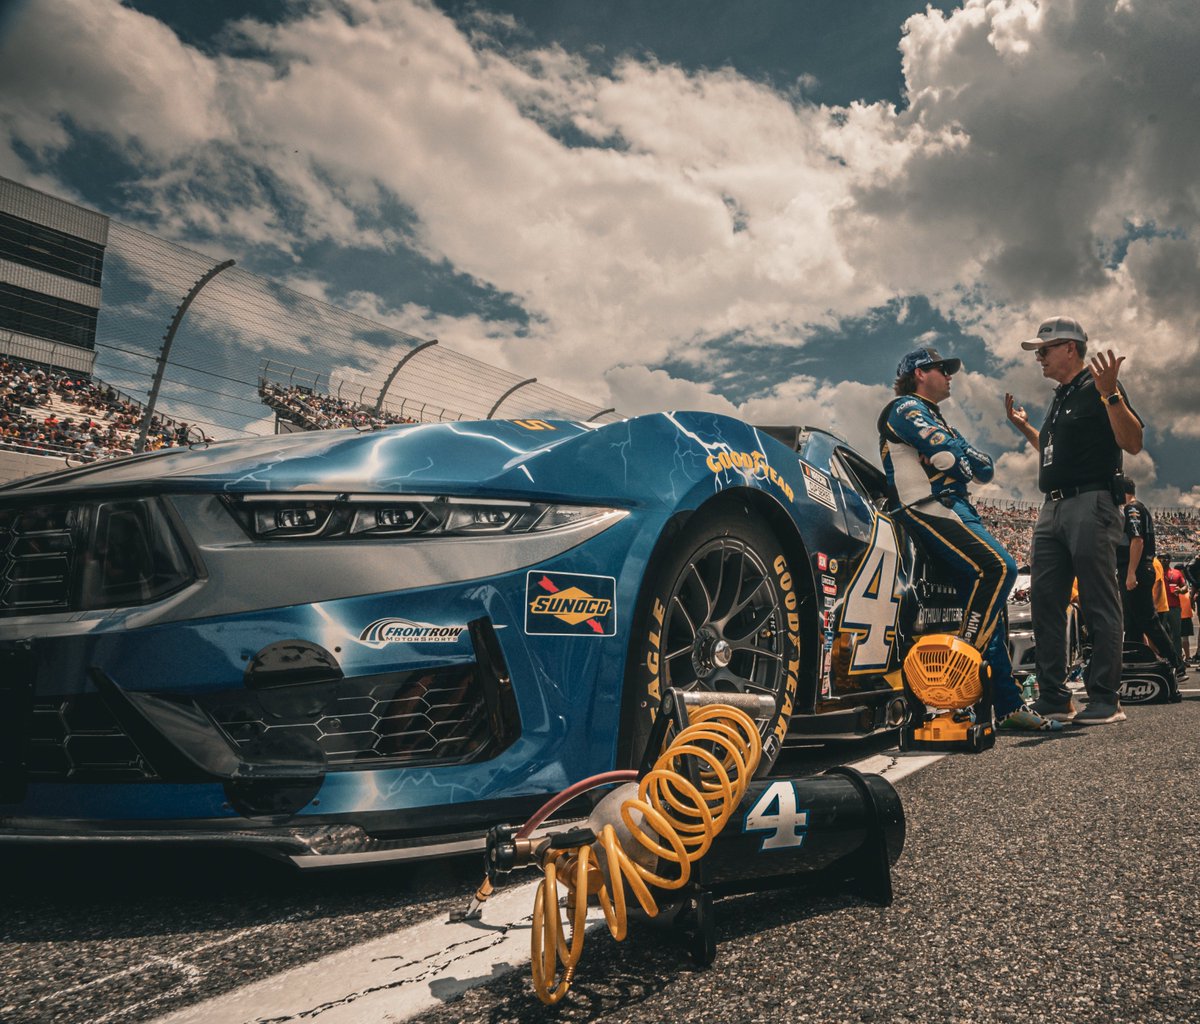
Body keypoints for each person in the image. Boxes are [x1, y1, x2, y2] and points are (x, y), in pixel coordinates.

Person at [881, 346, 1060, 731]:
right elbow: (951, 456)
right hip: (926, 503)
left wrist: (952, 458)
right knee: (998, 568)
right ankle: (957, 668)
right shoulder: (905, 408)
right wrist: (951, 458)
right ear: (918, 374)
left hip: (955, 505)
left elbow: (983, 468)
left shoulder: (937, 418)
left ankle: (1007, 707)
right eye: (941, 369)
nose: (949, 375)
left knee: (992, 611)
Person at [1005, 316, 1143, 725]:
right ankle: (1054, 697)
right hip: (1053, 506)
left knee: (1099, 599)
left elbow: (1133, 443)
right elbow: (1052, 449)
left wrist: (1112, 396)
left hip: (1091, 501)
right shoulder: (1061, 396)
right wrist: (1027, 427)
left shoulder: (1099, 389)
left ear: (1070, 348)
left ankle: (1104, 698)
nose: (1039, 358)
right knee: (1046, 601)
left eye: (1043, 350)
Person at [1118, 481, 1185, 683]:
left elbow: (1137, 540)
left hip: (1136, 568)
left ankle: (1176, 664)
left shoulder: (1132, 509)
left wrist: (1130, 573)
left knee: (1148, 620)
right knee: (1132, 623)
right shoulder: (1137, 508)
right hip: (1134, 568)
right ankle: (1134, 663)